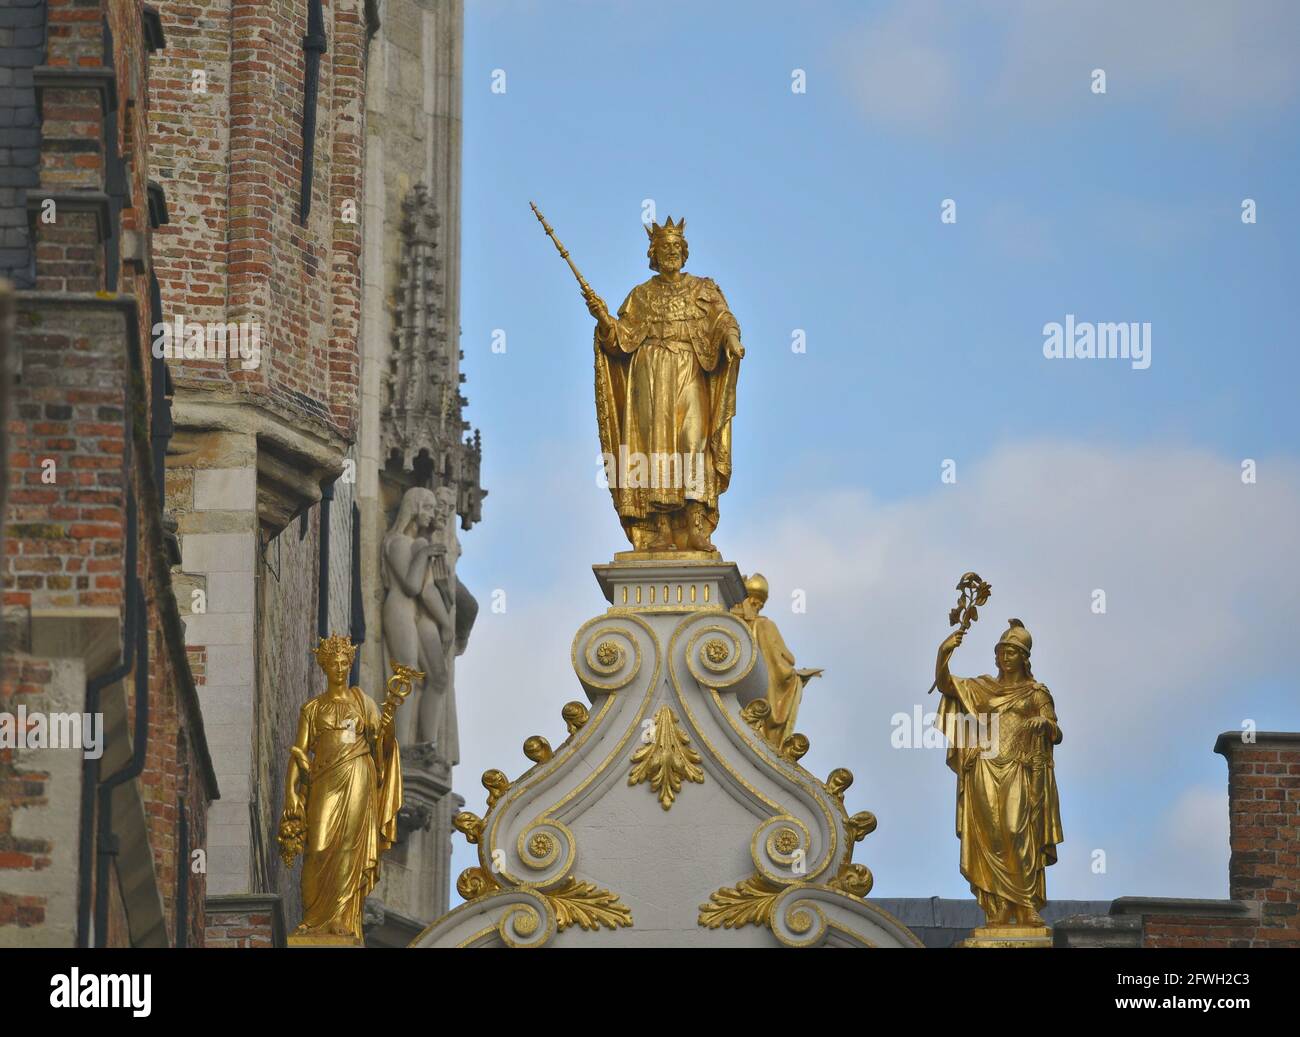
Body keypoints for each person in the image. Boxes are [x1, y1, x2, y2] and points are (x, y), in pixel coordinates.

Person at [587, 217, 743, 552]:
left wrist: (730, 340)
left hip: (689, 368)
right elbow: (620, 341)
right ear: (654, 254)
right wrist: (603, 321)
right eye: (664, 248)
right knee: (654, 448)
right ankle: (658, 529)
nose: (671, 252)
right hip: (650, 373)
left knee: (694, 440)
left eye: (676, 247)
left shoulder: (704, 289)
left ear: (684, 252)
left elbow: (724, 319)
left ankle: (695, 524)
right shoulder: (640, 296)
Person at [934, 618, 1064, 928]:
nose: (1004, 658)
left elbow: (1056, 731)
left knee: (1017, 833)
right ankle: (1004, 907)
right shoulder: (983, 688)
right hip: (983, 768)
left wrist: (1044, 724)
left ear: (1024, 657)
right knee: (991, 837)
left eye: (1011, 652)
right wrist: (943, 653)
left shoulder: (1036, 693)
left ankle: (1027, 904)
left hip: (1018, 767)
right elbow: (945, 684)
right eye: (1001, 652)